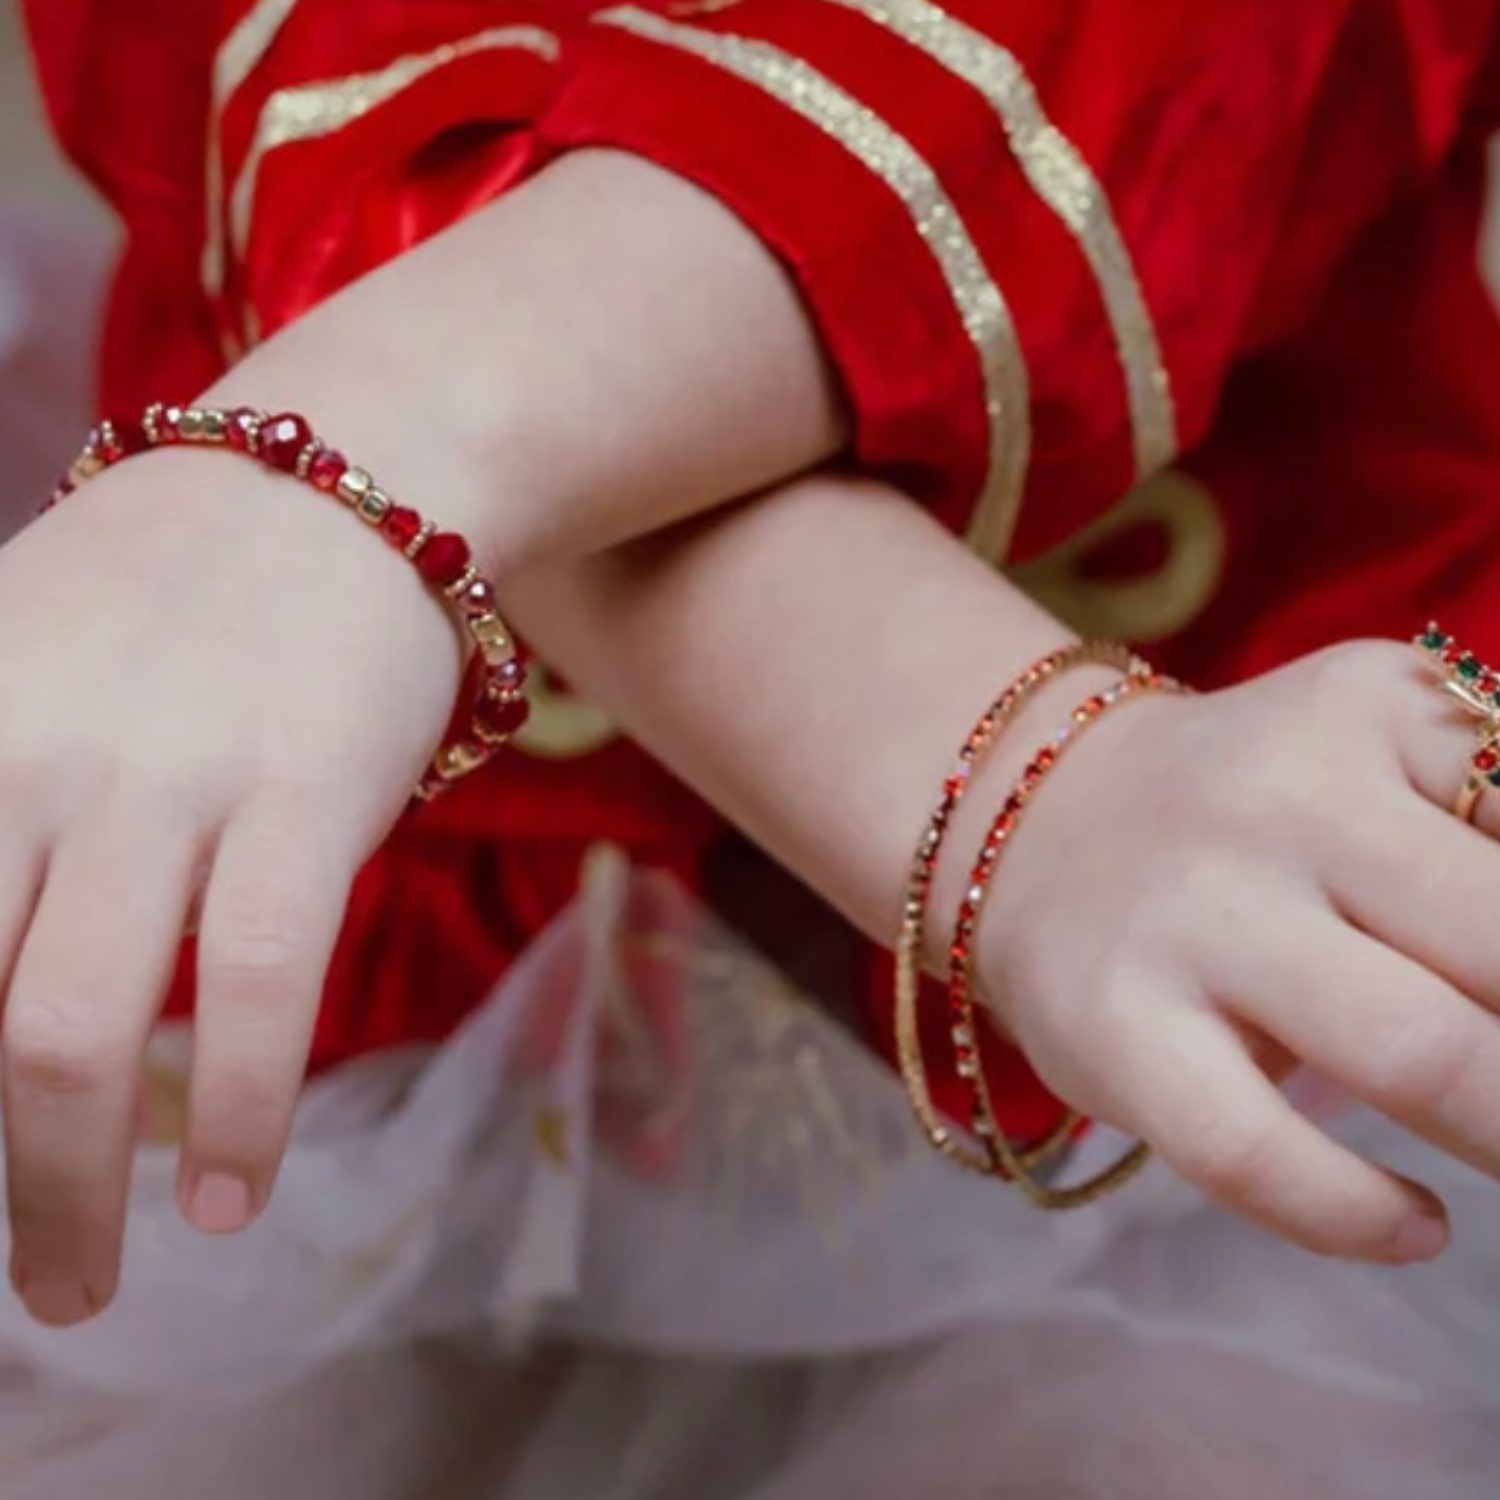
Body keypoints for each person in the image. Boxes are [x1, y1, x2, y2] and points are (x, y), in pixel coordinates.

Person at [8, 0, 1500, 1492]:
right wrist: (1034, 791)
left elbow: (1154, 72)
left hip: (1239, 877)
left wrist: (337, 450)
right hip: (402, 954)